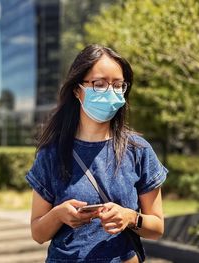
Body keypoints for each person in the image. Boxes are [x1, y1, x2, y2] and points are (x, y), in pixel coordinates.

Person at [26, 44, 167, 262]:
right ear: (77, 90)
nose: (110, 92)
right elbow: (38, 233)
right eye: (99, 84)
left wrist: (130, 217)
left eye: (118, 85)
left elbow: (157, 228)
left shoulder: (138, 150)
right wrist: (58, 215)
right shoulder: (51, 154)